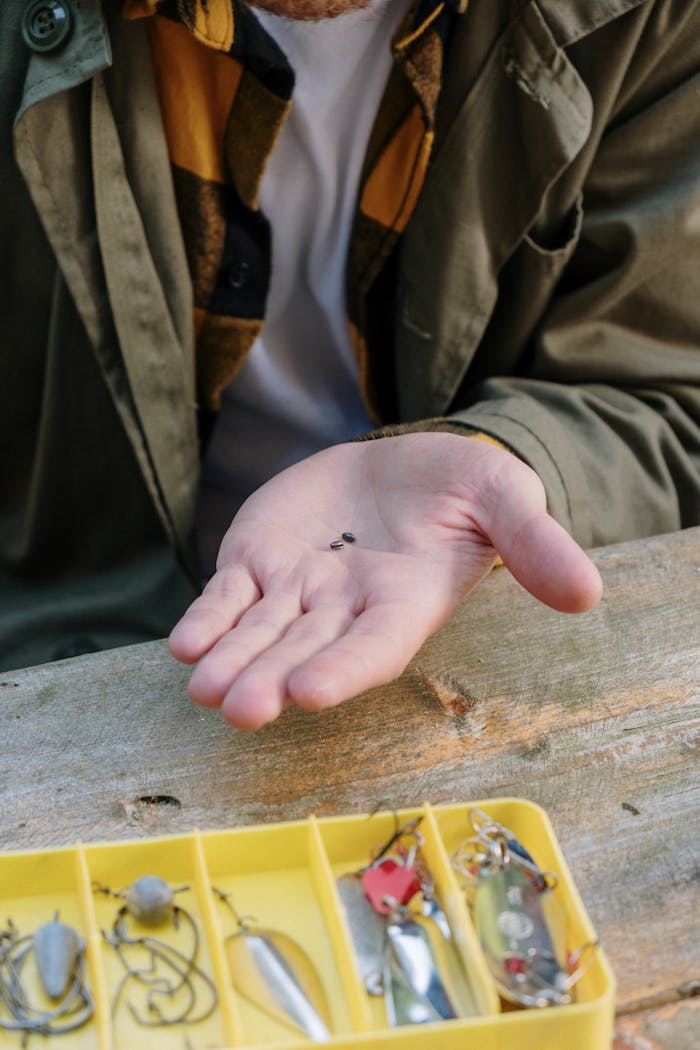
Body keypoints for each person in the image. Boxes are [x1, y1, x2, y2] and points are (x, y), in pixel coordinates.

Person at [2, 0, 698, 729]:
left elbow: (665, 388)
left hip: (447, 641)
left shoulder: (653, 18)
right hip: (55, 646)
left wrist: (509, 451)